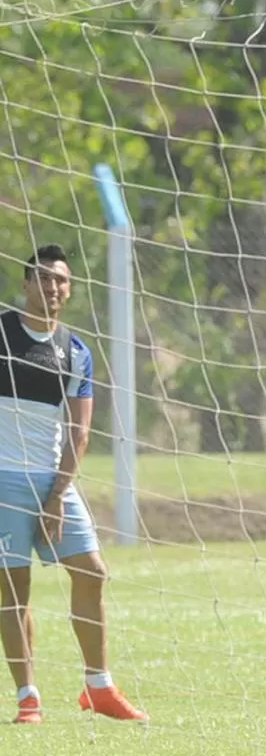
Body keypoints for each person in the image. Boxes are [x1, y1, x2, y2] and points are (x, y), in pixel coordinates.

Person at [0, 245, 147, 724]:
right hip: (3, 480)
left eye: (61, 280)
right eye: (43, 278)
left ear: (70, 288)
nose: (53, 287)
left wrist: (57, 495)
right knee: (12, 586)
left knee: (92, 570)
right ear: (26, 284)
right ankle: (28, 697)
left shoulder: (75, 350)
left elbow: (80, 432)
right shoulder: (1, 333)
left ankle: (98, 686)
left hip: (52, 479)